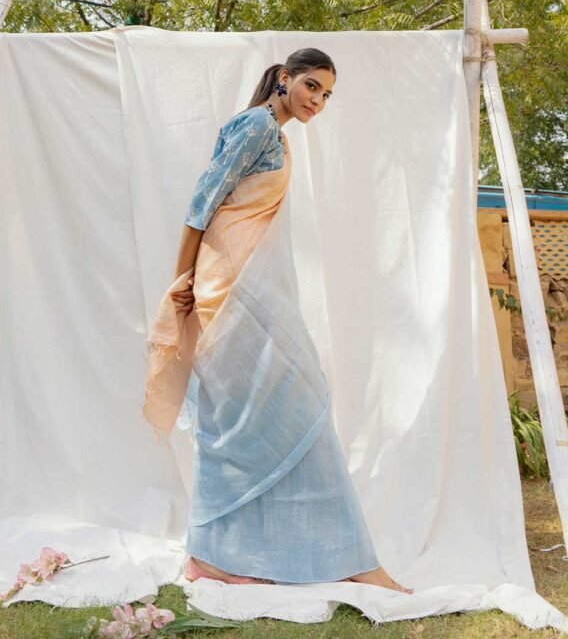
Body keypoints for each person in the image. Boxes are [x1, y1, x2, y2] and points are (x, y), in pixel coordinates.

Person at [145, 48, 413, 593]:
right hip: (228, 291)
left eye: (327, 94)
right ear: (285, 78)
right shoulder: (256, 126)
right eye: (312, 86)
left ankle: (223, 555)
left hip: (250, 290)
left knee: (253, 421)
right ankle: (225, 557)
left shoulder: (276, 135)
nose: (318, 100)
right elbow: (201, 204)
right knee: (249, 418)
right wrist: (181, 285)